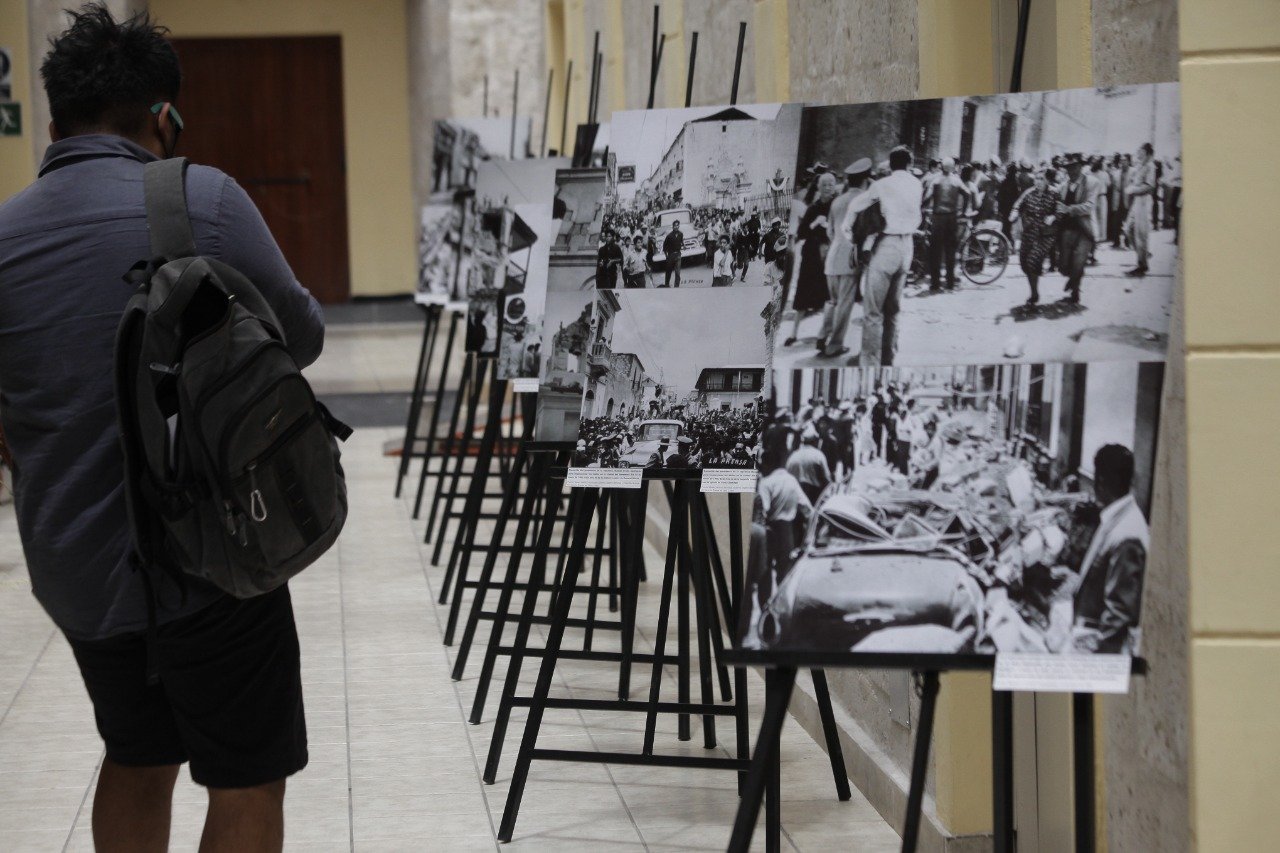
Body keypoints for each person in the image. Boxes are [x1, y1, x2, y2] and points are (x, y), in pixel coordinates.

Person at [0, 7, 324, 851]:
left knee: (137, 754)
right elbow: (303, 335)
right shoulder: (202, 199)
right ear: (163, 115)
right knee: (246, 773)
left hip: (78, 569)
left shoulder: (3, 240)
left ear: (55, 117)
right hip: (213, 557)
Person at [841, 146, 923, 368]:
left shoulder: (882, 185)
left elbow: (856, 205)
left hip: (886, 246)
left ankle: (869, 361)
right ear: (910, 163)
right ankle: (889, 356)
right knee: (893, 308)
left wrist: (848, 232)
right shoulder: (917, 184)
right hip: (907, 246)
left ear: (891, 164)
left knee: (873, 309)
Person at [1071, 444, 1148, 653]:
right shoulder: (1117, 515)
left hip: (1096, 649)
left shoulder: (1128, 535)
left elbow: (1118, 617)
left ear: (1100, 481)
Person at [818, 159, 872, 359]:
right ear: (865, 179)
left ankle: (822, 335)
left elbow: (831, 232)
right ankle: (834, 345)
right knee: (845, 303)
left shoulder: (837, 200)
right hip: (851, 257)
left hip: (833, 256)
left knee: (832, 300)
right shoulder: (866, 200)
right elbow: (865, 232)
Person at [785, 172, 838, 346]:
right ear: (819, 187)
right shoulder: (813, 208)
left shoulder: (837, 206)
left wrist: (829, 227)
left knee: (827, 296)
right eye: (824, 185)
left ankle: (824, 335)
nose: (828, 188)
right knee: (802, 295)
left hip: (829, 255)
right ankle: (794, 334)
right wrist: (815, 223)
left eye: (831, 184)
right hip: (811, 255)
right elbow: (801, 233)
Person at [1011, 168, 1059, 306]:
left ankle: (1034, 294)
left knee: (1032, 261)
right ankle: (1034, 288)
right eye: (1036, 179)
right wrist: (1014, 214)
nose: (1038, 182)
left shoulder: (1055, 193)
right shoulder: (1029, 192)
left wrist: (1054, 216)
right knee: (1024, 262)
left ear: (1047, 180)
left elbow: (1061, 210)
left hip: (1046, 234)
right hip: (1029, 232)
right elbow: (1018, 205)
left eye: (1041, 179)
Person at [1055, 154, 1097, 304]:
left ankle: (1075, 292)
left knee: (1079, 262)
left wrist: (1069, 209)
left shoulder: (1091, 183)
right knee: (1065, 264)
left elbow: (1089, 206)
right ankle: (1073, 281)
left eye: (1074, 167)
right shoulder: (1063, 186)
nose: (1071, 171)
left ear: (1080, 167)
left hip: (1084, 229)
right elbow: (1057, 206)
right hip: (1067, 229)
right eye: (1068, 168)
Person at [923, 156, 968, 291]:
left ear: (941, 166)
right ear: (953, 167)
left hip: (938, 218)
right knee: (950, 251)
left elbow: (927, 197)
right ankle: (949, 283)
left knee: (935, 251)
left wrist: (923, 207)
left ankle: (935, 283)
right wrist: (964, 212)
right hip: (952, 218)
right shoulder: (957, 180)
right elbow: (967, 194)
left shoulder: (935, 180)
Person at [1124, 143, 1157, 277]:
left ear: (1148, 153)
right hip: (1137, 200)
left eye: (1142, 152)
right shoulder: (1140, 166)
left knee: (1140, 233)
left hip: (1144, 200)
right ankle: (1143, 255)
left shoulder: (1150, 166)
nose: (1139, 154)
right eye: (1139, 152)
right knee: (1128, 229)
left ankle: (1142, 264)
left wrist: (1133, 190)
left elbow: (1149, 186)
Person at [786, 425, 832, 505]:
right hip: (812, 494)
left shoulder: (793, 455)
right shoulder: (818, 455)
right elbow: (827, 478)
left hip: (795, 494)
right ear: (815, 441)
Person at [662, 221, 684, 287]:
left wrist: (683, 245)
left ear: (679, 226)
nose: (676, 227)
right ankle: (666, 285)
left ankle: (676, 287)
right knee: (668, 271)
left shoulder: (681, 234)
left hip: (678, 255)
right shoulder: (669, 236)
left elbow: (681, 242)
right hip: (671, 255)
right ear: (673, 226)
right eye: (675, 225)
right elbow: (664, 247)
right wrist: (667, 257)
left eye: (677, 225)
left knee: (678, 273)